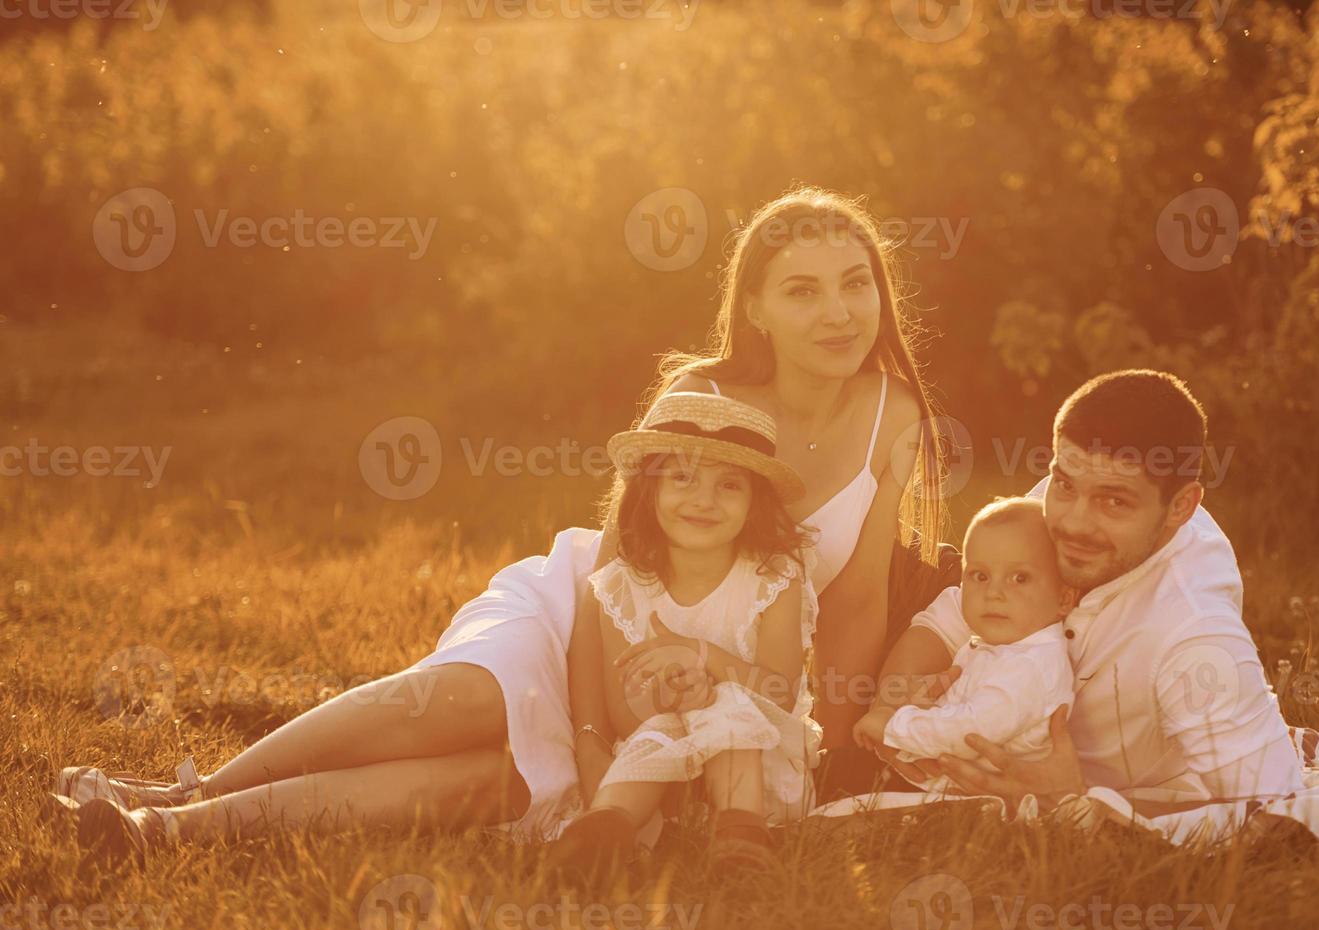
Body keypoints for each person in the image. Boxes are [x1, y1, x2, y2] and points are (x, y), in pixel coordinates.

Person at [53, 186, 954, 860]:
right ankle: (201, 784)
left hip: (706, 677)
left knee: (497, 784)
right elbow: (614, 576)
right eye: (802, 291)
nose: (838, 312)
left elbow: (856, 605)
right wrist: (596, 733)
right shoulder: (699, 397)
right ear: (753, 307)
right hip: (588, 618)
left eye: (854, 285)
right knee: (473, 701)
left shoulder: (893, 415)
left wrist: (817, 757)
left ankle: (164, 831)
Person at [871, 370, 1306, 819]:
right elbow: (949, 620)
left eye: (1113, 502)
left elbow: (1279, 809)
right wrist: (893, 704)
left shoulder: (1194, 634)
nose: (1073, 524)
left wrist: (1079, 800)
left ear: (1181, 506)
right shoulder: (1056, 501)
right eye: (1064, 485)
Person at [545, 393, 821, 883]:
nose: (703, 500)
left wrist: (705, 658)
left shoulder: (773, 581)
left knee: (731, 704)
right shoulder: (622, 586)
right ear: (648, 491)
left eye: (729, 485)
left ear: (756, 501)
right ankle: (605, 831)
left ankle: (741, 840)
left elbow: (778, 694)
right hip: (662, 774)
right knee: (659, 732)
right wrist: (674, 695)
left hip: (757, 769)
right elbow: (621, 713)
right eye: (682, 478)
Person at [851, 497, 1073, 796]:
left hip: (990, 801)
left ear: (1064, 599)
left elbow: (973, 729)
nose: (994, 592)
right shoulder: (1003, 647)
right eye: (979, 576)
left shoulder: (1030, 666)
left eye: (1020, 578)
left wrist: (894, 726)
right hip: (948, 783)